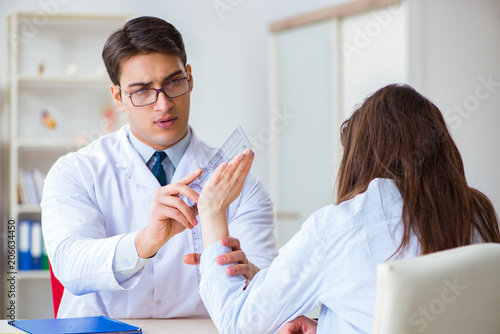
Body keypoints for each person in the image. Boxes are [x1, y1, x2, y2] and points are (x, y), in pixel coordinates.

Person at [196, 83, 500, 333]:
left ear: (362, 157)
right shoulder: (478, 213)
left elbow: (238, 323)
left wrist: (211, 213)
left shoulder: (338, 228)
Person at [41, 16, 277, 318]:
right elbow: (69, 266)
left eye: (173, 82)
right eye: (142, 91)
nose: (163, 104)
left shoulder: (240, 182)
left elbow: (267, 288)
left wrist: (251, 272)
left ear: (190, 78)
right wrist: (145, 242)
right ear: (118, 98)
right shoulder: (76, 171)